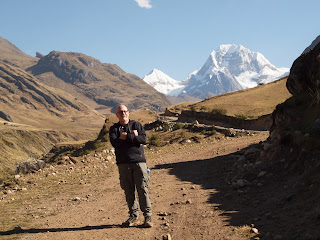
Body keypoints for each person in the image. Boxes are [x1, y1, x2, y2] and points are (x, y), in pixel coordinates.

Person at [109, 104, 153, 227]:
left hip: (139, 161)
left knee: (142, 189)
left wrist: (126, 136)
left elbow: (143, 139)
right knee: (128, 190)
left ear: (128, 112)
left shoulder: (137, 125)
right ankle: (133, 216)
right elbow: (115, 143)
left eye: (125, 111)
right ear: (117, 115)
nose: (123, 113)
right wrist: (133, 137)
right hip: (123, 163)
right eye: (120, 112)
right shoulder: (114, 129)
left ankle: (147, 217)